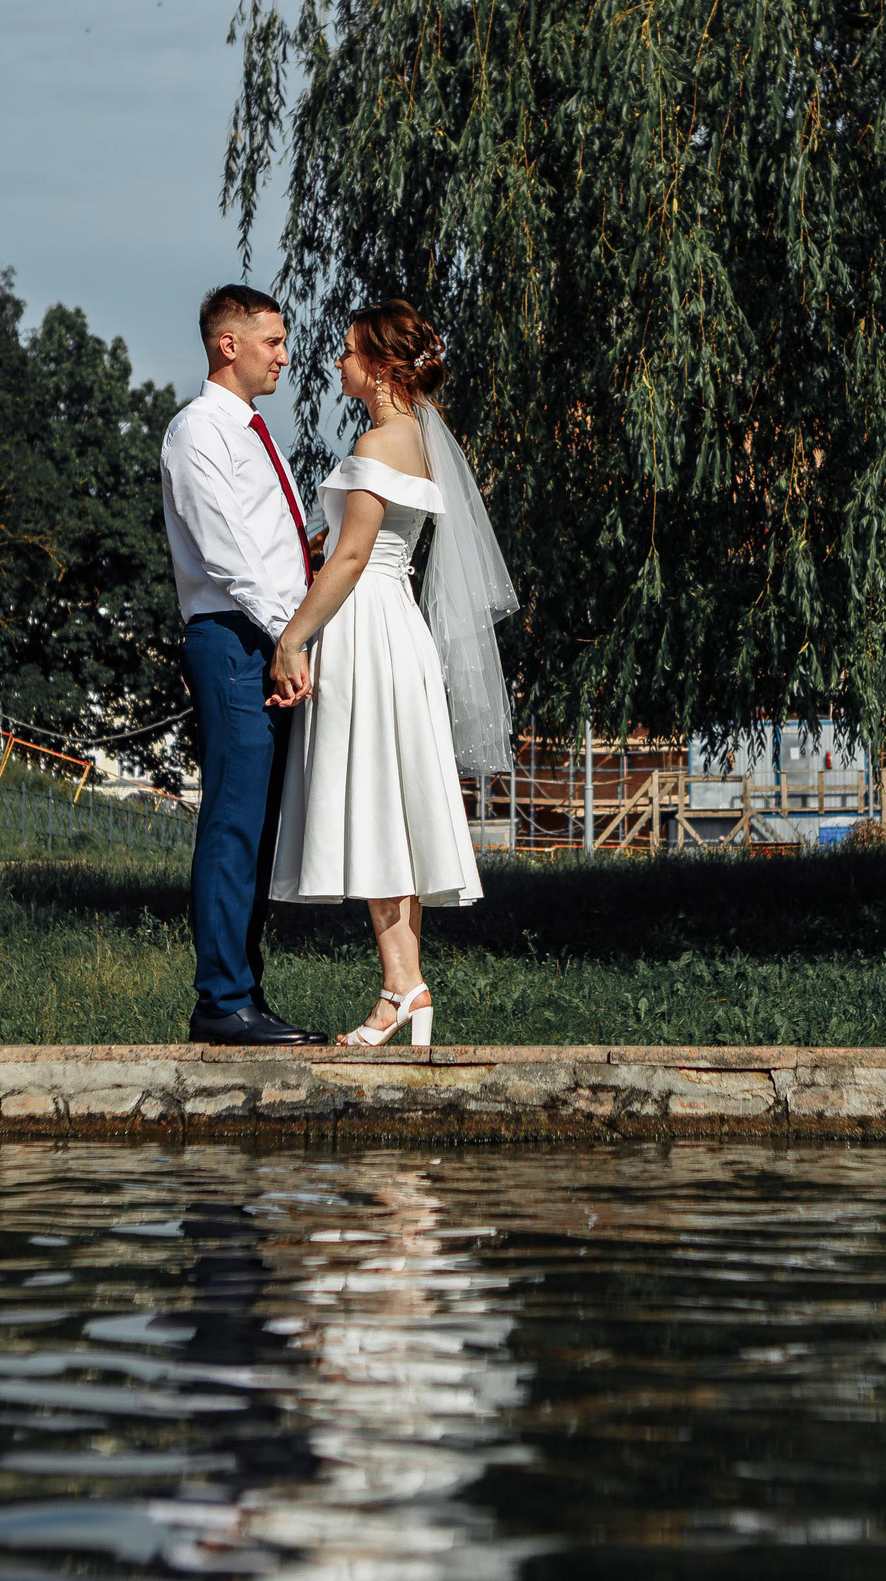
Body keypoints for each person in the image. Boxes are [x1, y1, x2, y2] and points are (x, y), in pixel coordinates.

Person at [265, 299, 517, 1046]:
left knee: (374, 801)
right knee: (392, 805)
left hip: (365, 623)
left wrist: (292, 638)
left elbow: (349, 557)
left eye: (347, 352)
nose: (336, 362)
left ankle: (400, 987)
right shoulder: (423, 442)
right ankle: (403, 985)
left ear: (378, 367)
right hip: (395, 621)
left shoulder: (379, 441)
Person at [159, 284, 330, 1047]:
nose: (285, 356)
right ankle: (220, 1000)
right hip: (233, 638)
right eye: (274, 341)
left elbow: (269, 549)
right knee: (232, 820)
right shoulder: (198, 431)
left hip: (263, 634)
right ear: (229, 344)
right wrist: (287, 635)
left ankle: (242, 992)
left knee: (256, 826)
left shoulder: (255, 433)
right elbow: (227, 554)